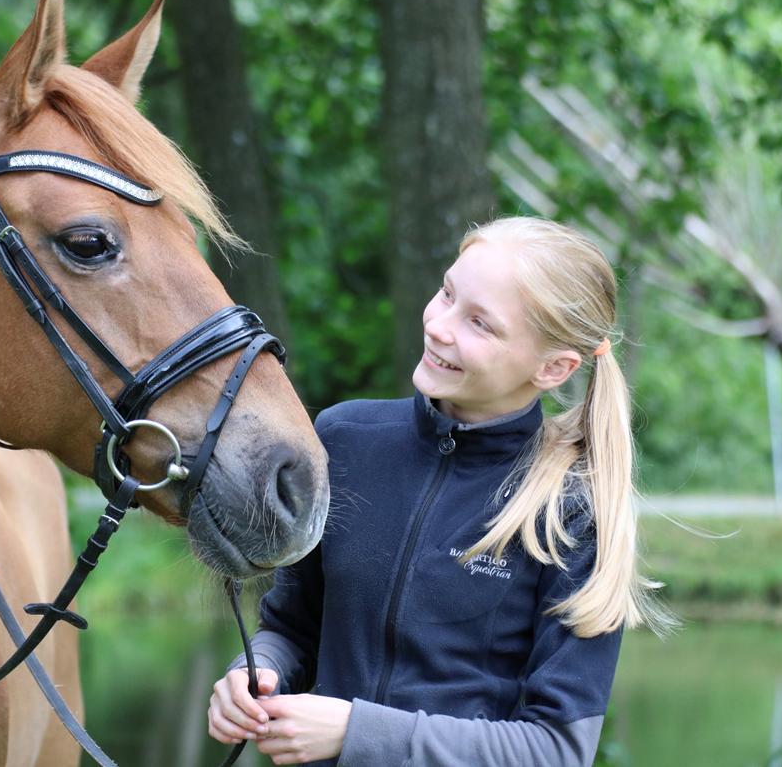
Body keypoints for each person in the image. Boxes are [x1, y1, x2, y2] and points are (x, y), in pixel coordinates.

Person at [207, 216, 673, 766]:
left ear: (553, 368)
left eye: (480, 323)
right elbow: (292, 629)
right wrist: (256, 672)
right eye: (447, 293)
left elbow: (556, 750)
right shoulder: (342, 440)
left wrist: (358, 732)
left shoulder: (571, 513)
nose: (439, 325)